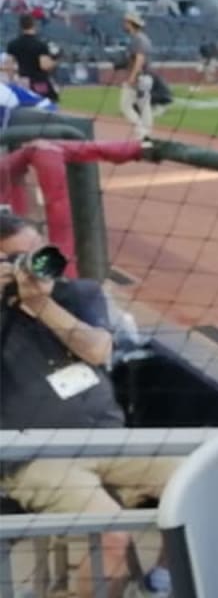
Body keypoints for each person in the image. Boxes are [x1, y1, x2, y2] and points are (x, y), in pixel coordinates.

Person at [0, 213, 173, 598]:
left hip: (109, 441)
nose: (33, 266)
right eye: (17, 259)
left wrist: (42, 305)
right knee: (111, 540)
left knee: (202, 479)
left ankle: (165, 579)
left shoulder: (77, 295)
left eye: (36, 252)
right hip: (33, 458)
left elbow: (97, 350)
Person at [5, 14, 61, 102]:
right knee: (47, 104)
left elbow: (9, 66)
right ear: (34, 25)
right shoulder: (40, 44)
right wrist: (56, 60)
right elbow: (44, 66)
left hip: (23, 80)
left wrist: (11, 82)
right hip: (39, 81)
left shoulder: (13, 44)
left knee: (25, 106)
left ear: (20, 26)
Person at [120, 11, 155, 140]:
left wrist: (132, 78)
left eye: (126, 22)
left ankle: (142, 133)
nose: (124, 24)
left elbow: (140, 59)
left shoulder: (137, 39)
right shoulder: (144, 38)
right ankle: (148, 135)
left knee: (125, 106)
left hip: (139, 77)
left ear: (131, 24)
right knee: (145, 107)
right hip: (146, 77)